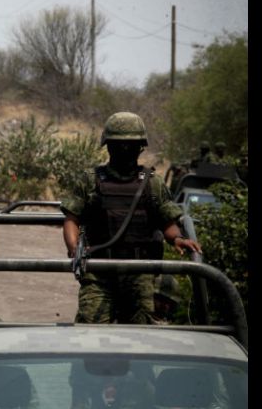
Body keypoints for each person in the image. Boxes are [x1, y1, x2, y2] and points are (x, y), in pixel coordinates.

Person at [61, 112, 202, 325]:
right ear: (109, 146)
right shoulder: (91, 181)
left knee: (143, 334)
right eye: (119, 144)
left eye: (130, 145)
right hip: (100, 272)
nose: (124, 149)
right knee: (90, 330)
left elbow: (167, 221)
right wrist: (74, 249)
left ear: (140, 147)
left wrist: (177, 239)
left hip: (141, 273)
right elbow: (72, 218)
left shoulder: (152, 183)